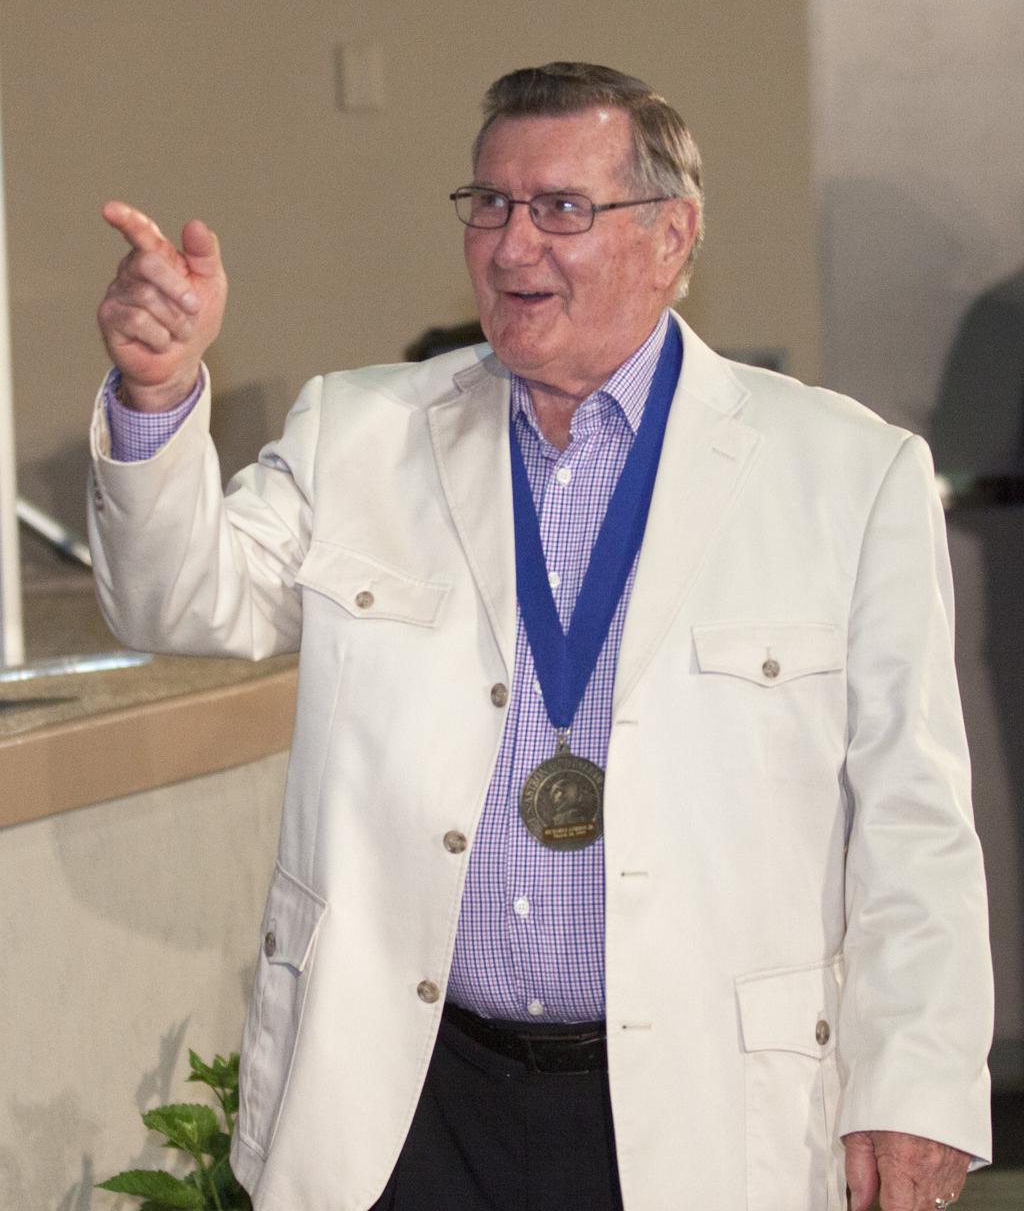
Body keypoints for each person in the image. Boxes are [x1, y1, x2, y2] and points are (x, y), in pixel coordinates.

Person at [89, 62, 992, 1211]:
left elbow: (914, 816)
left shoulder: (844, 473)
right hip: (403, 1102)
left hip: (702, 1108)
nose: (512, 246)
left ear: (672, 234)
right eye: (490, 204)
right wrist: (158, 394)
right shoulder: (357, 432)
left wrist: (915, 1084)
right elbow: (176, 601)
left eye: (561, 207)